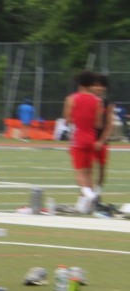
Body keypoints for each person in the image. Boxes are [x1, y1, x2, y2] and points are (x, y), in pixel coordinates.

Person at [62, 72, 103, 215]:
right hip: (91, 138)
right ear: (91, 84)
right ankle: (86, 207)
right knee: (89, 173)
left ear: (79, 83)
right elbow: (98, 123)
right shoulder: (97, 101)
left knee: (79, 172)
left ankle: (90, 196)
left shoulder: (71, 99)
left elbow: (67, 119)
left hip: (78, 138)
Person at [89, 74, 115, 199]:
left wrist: (101, 141)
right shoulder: (87, 100)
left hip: (101, 140)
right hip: (88, 139)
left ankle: (98, 192)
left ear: (105, 87)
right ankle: (88, 194)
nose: (98, 88)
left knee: (102, 168)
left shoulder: (107, 103)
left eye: (101, 86)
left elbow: (109, 124)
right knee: (88, 168)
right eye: (95, 85)